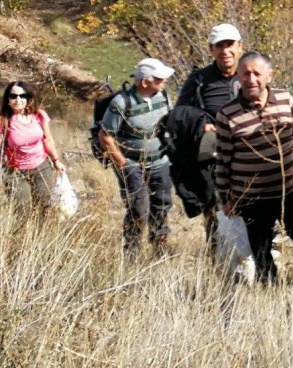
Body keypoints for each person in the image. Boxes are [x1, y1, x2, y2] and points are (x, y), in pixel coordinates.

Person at [214, 51, 293, 284]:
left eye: (257, 73)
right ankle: (270, 290)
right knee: (260, 252)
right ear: (238, 76)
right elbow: (223, 161)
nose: (251, 79)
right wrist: (225, 199)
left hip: (290, 190)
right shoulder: (227, 114)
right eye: (245, 74)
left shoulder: (285, 100)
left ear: (269, 76)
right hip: (251, 197)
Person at [171, 23, 244, 242]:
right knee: (215, 214)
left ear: (240, 46)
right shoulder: (199, 80)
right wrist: (201, 122)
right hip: (213, 160)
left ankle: (258, 257)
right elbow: (179, 113)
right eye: (219, 46)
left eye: (230, 44)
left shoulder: (251, 73)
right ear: (211, 49)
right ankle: (218, 257)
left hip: (249, 158)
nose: (225, 51)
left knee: (253, 210)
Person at [98, 58, 176, 254]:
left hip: (160, 162)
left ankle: (159, 247)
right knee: (138, 209)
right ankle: (132, 251)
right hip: (132, 164)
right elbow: (105, 136)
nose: (164, 81)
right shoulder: (121, 102)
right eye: (159, 78)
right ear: (145, 81)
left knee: (162, 205)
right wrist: (122, 163)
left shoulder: (163, 96)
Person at [0, 81, 65, 208]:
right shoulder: (3, 121)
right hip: (15, 171)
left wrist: (56, 160)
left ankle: (43, 222)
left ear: (28, 98)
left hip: (41, 166)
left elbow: (48, 140)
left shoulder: (39, 116)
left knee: (44, 205)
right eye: (13, 96)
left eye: (22, 96)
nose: (18, 100)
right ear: (8, 99)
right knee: (22, 208)